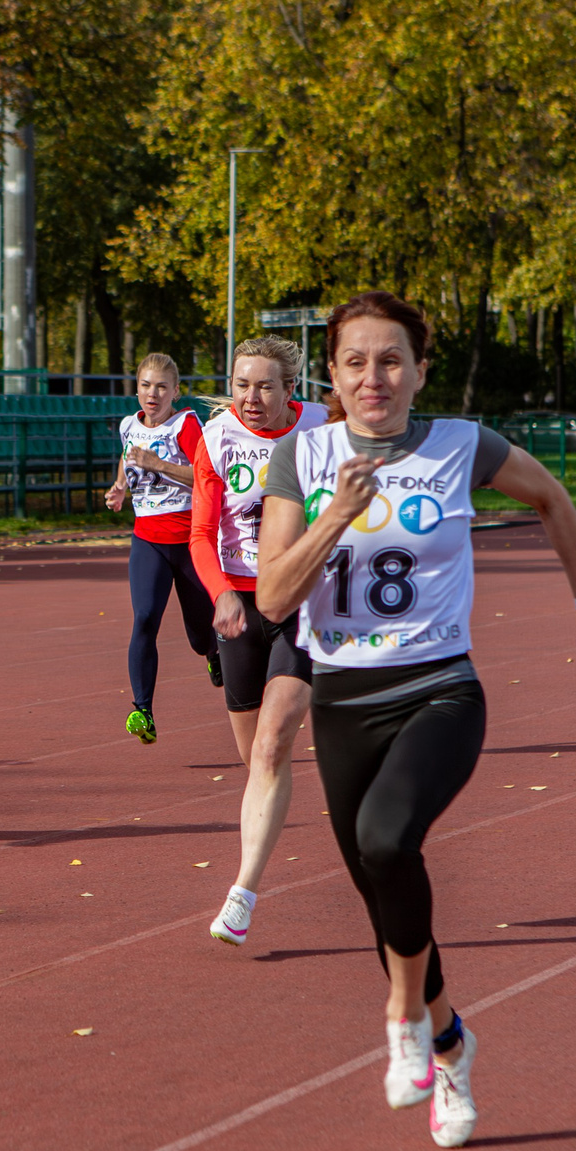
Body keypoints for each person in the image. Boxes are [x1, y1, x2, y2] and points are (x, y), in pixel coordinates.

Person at [256, 290, 576, 1149]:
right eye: (355, 362)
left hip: (439, 689)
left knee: (387, 841)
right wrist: (335, 514)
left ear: (420, 371)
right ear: (332, 375)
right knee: (386, 895)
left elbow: (553, 498)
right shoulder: (303, 457)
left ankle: (402, 1018)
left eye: (391, 360)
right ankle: (451, 1043)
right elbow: (272, 596)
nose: (374, 377)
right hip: (343, 697)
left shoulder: (462, 446)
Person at [188, 336, 328, 947]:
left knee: (273, 744)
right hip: (239, 607)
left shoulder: (323, 428)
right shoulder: (216, 437)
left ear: (290, 389)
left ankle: (241, 895)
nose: (251, 396)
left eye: (265, 385)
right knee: (258, 763)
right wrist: (220, 593)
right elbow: (200, 532)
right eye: (241, 384)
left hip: (301, 601)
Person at [105, 352, 219, 743]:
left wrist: (158, 465)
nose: (152, 394)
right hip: (148, 541)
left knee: (199, 635)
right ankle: (143, 711)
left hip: (189, 541)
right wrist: (120, 487)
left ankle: (213, 654)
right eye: (145, 386)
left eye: (161, 387)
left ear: (175, 391)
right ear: (136, 388)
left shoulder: (184, 425)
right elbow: (128, 455)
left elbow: (205, 476)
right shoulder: (129, 425)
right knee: (145, 618)